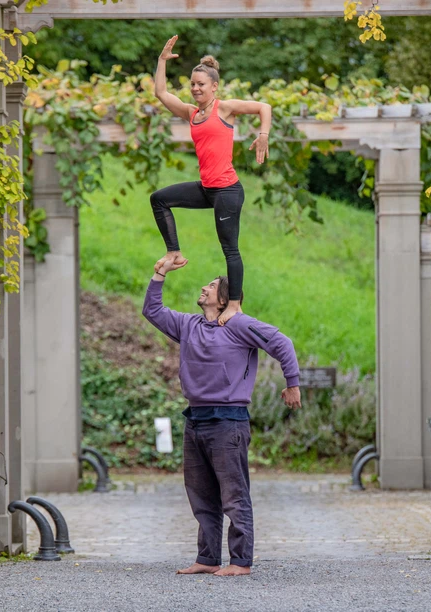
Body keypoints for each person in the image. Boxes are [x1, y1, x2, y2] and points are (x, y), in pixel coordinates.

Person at [141, 256, 301, 577]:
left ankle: (240, 562)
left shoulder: (240, 324)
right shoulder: (189, 326)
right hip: (195, 419)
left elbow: (282, 343)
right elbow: (153, 311)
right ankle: (208, 558)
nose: (204, 287)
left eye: (211, 286)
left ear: (225, 298)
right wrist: (160, 274)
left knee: (233, 494)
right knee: (201, 495)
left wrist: (292, 384)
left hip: (229, 421)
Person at [150, 35, 273, 325]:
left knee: (229, 248)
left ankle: (233, 305)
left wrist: (263, 135)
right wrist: (161, 61)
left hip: (228, 191)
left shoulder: (225, 108)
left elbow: (263, 107)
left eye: (200, 84)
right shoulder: (191, 114)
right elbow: (161, 94)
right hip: (207, 189)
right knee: (159, 199)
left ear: (214, 87)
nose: (194, 88)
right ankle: (174, 251)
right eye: (192, 84)